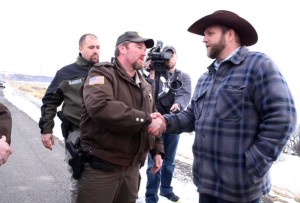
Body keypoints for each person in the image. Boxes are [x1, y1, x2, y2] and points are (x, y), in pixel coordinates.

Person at [148, 10, 297, 203]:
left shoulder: (258, 65)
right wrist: (165, 121)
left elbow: (284, 118)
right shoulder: (206, 77)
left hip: (240, 190)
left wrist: (253, 164)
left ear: (230, 34)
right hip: (207, 186)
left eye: (210, 33)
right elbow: (192, 116)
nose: (204, 39)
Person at [76, 31, 165, 203]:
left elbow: (152, 114)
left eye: (145, 49)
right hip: (102, 168)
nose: (143, 52)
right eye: (139, 47)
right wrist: (146, 120)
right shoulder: (101, 73)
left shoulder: (146, 85)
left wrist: (157, 150)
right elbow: (101, 107)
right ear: (122, 49)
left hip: (132, 170)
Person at [39, 33, 100, 203]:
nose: (96, 51)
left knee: (103, 180)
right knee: (78, 179)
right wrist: (46, 129)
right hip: (77, 135)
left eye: (98, 47)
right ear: (81, 49)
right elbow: (50, 101)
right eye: (91, 47)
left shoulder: (106, 70)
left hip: (104, 136)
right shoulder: (66, 73)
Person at [144, 45, 192, 203]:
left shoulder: (183, 76)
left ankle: (165, 189)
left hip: (173, 124)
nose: (169, 58)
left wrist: (178, 105)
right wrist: (150, 73)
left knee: (169, 161)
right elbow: (147, 93)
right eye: (166, 55)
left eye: (172, 55)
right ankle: (151, 197)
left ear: (176, 57)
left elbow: (185, 95)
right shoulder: (155, 73)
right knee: (153, 162)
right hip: (156, 123)